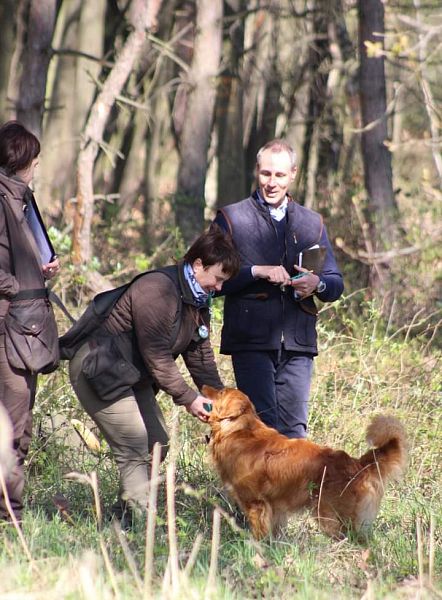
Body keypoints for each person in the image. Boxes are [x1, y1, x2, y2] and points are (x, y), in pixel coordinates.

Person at [66, 226, 240, 521]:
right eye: (218, 278)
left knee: (157, 441)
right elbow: (157, 355)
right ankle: (144, 526)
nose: (220, 288)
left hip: (132, 376)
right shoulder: (157, 290)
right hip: (99, 369)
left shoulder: (197, 302)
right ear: (199, 265)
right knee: (134, 446)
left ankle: (122, 515)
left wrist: (222, 402)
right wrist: (189, 399)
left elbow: (200, 358)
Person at [214, 139, 344, 439]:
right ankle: (256, 488)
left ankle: (294, 488)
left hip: (298, 343)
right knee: (260, 431)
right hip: (251, 340)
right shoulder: (231, 219)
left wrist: (317, 283)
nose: (272, 183)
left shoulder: (312, 222)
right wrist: (255, 272)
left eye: (280, 175)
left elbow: (335, 283)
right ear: (256, 172)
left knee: (295, 434)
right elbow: (208, 280)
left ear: (293, 174)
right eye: (266, 174)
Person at [0, 121, 60, 522]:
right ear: (23, 162)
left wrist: (37, 270)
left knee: (16, 425)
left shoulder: (18, 200)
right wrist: (22, 282)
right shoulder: (4, 201)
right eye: (34, 162)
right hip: (10, 328)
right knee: (12, 428)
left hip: (22, 325)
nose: (36, 168)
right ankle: (10, 519)